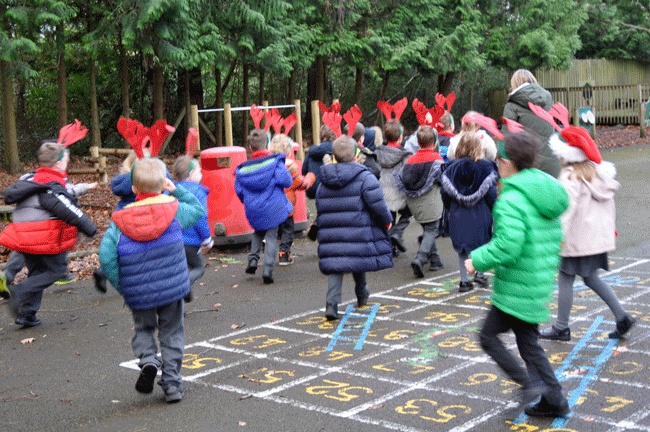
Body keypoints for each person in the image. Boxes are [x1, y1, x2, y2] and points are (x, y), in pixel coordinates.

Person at [465, 132, 570, 418]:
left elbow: (508, 246)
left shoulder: (511, 199)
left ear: (509, 162)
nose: (497, 163)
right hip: (535, 281)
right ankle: (555, 401)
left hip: (517, 285)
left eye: (500, 159)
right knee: (529, 345)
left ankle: (529, 384)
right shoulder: (541, 190)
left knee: (488, 337)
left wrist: (477, 261)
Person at [99, 157, 204, 403]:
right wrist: (176, 190)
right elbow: (198, 210)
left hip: (139, 292)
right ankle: (172, 384)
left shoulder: (119, 220)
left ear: (133, 189)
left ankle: (148, 360)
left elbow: (106, 256)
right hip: (172, 289)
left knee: (144, 329)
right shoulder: (174, 209)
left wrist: (123, 286)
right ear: (164, 184)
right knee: (172, 333)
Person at [539, 126, 635, 341]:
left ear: (565, 155)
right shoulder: (595, 173)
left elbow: (566, 209)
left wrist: (557, 236)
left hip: (576, 240)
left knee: (566, 278)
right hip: (593, 240)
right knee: (591, 278)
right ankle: (622, 317)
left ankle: (561, 327)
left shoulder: (570, 176)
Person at [0, 137, 97, 328]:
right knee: (56, 271)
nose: (67, 163)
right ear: (58, 163)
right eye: (66, 160)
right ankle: (18, 293)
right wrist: (90, 228)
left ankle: (27, 314)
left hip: (23, 234)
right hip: (42, 235)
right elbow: (67, 209)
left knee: (37, 272)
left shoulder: (30, 178)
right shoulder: (51, 185)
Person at [316, 136, 393, 320]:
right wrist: (387, 220)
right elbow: (377, 204)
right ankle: (362, 293)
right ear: (355, 155)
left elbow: (320, 205)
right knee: (357, 257)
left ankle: (331, 304)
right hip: (359, 228)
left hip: (332, 231)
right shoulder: (365, 177)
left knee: (336, 266)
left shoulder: (324, 180)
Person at [441, 132, 498, 293]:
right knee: (482, 244)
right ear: (478, 148)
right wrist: (493, 208)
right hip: (480, 212)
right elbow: (491, 193)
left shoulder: (451, 169)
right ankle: (479, 273)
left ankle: (464, 281)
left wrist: (448, 207)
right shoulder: (485, 168)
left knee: (462, 248)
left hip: (458, 212)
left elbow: (444, 193)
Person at [235, 128, 293, 284]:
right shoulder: (274, 163)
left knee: (258, 232)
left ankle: (253, 260)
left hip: (253, 208)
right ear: (267, 145)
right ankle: (267, 270)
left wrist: (248, 201)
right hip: (273, 207)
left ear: (250, 148)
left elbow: (239, 191)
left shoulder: (243, 169)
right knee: (271, 236)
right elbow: (287, 181)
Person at [393, 126, 445, 278]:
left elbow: (402, 178)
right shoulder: (437, 160)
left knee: (428, 229)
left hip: (413, 203)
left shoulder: (410, 160)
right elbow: (442, 180)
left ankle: (435, 260)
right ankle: (420, 258)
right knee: (432, 230)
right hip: (431, 202)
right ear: (434, 143)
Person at [502, 69, 561, 177]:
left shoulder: (511, 105)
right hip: (552, 161)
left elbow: (507, 137)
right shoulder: (547, 98)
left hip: (528, 163)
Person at [171, 153, 214, 303]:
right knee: (198, 268)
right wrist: (207, 238)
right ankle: (183, 287)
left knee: (181, 269)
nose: (201, 173)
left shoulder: (171, 190)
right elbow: (200, 218)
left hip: (173, 240)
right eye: (199, 171)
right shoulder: (198, 192)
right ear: (190, 174)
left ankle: (184, 295)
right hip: (190, 240)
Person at [268, 133, 315, 265]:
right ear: (288, 150)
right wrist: (311, 177)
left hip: (271, 205)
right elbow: (300, 184)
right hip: (286, 206)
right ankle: (284, 254)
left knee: (273, 230)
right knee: (287, 230)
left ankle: (268, 253)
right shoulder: (290, 166)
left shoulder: (267, 165)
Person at [374, 119, 411, 257]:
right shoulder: (405, 155)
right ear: (400, 136)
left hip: (383, 193)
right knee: (409, 212)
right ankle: (397, 232)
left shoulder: (378, 152)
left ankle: (390, 247)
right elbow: (407, 175)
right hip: (400, 194)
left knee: (390, 218)